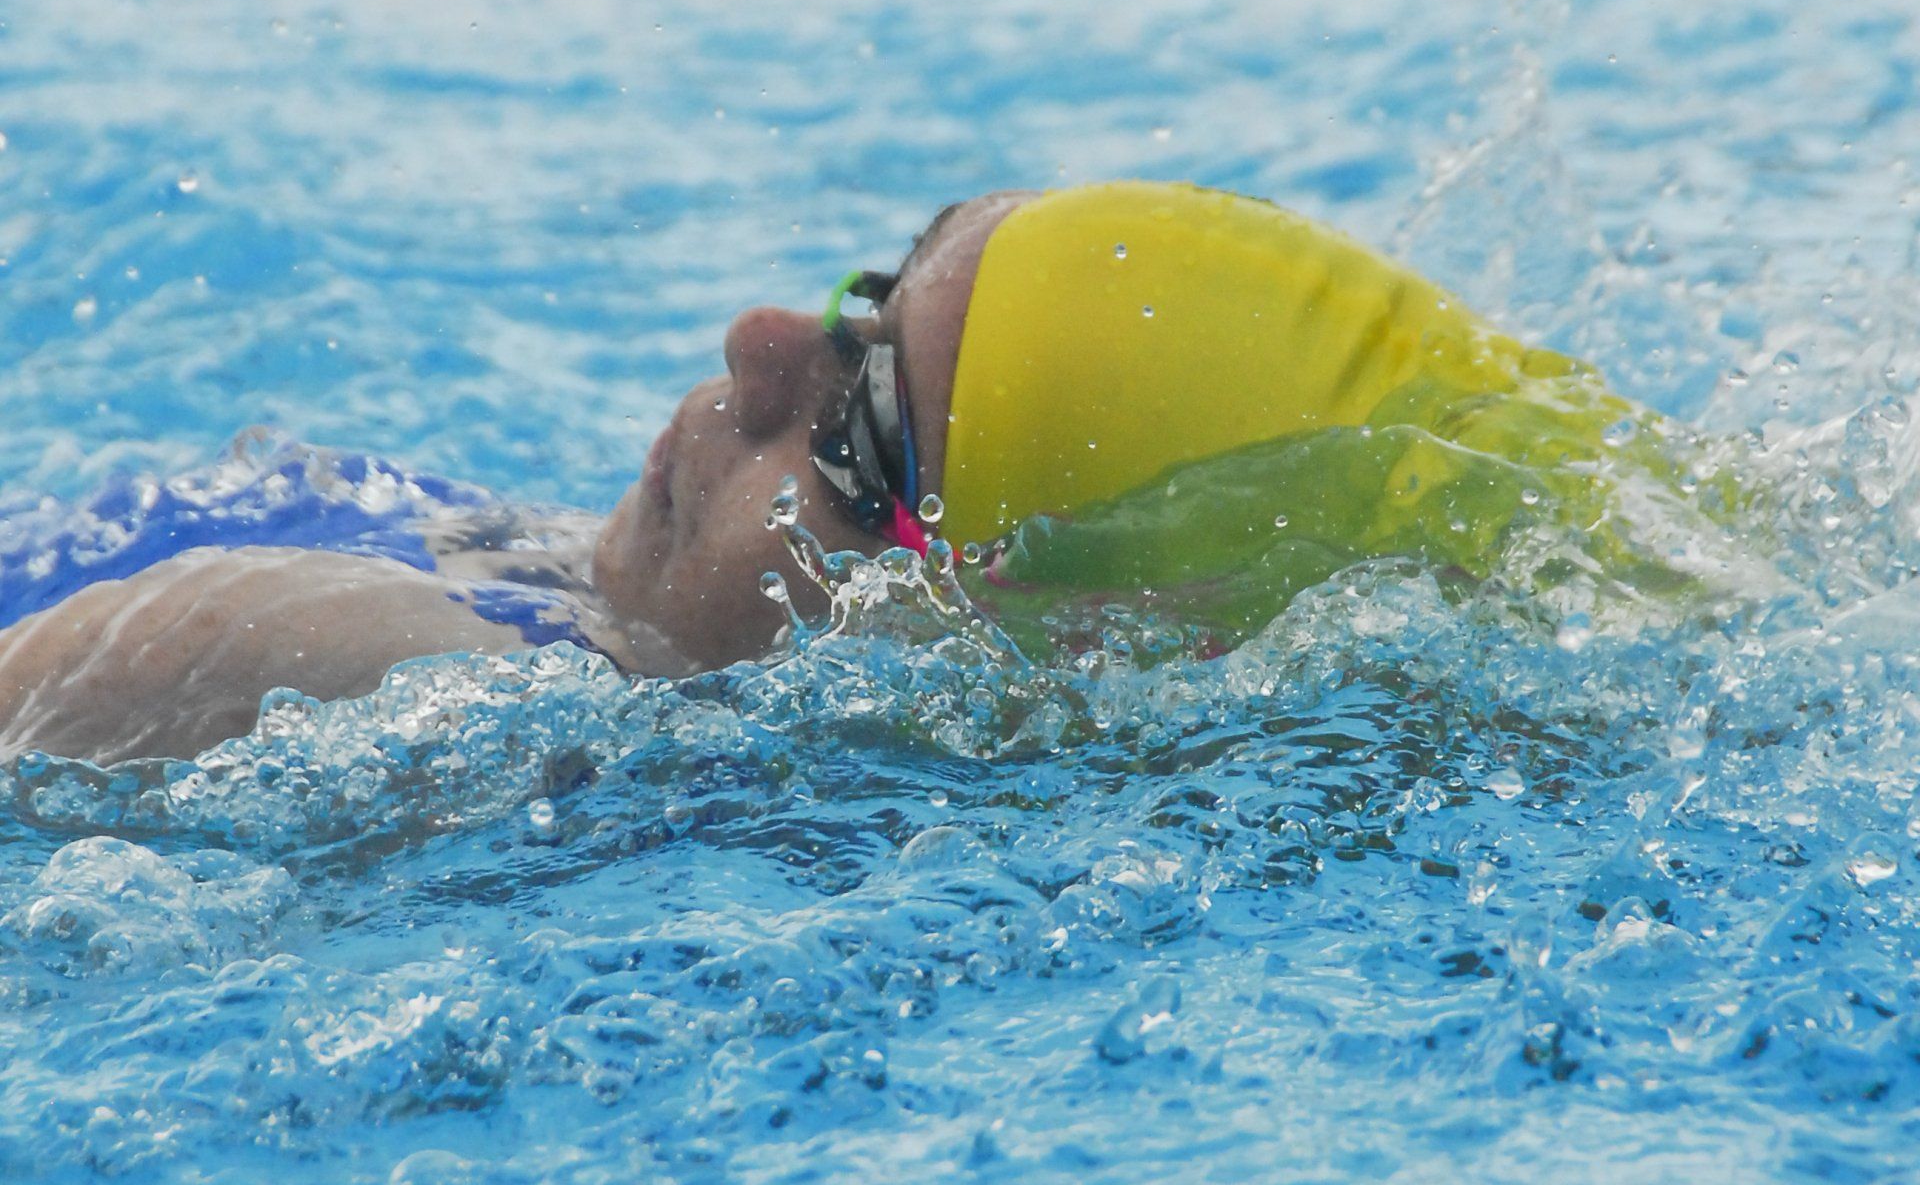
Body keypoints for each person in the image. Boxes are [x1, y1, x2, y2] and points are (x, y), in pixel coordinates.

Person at [0, 182, 1682, 766]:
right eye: (862, 301)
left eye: (857, 430)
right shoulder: (494, 564)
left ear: (1003, 657)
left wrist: (230, 639)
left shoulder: (401, 682)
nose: (757, 344)